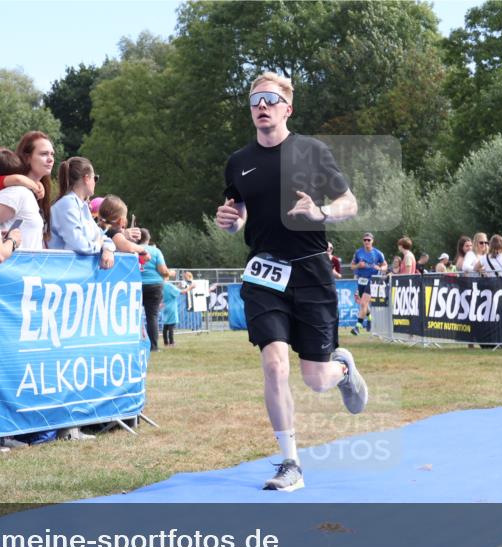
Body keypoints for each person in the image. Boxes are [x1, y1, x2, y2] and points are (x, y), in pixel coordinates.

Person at [214, 71, 366, 492]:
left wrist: (322, 213)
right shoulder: (238, 162)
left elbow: (349, 202)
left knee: (316, 379)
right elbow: (237, 213)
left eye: (269, 99)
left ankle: (343, 368)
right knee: (274, 363)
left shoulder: (312, 151)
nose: (261, 106)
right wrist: (229, 222)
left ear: (287, 108)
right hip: (264, 274)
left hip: (311, 269)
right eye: (254, 100)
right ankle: (290, 463)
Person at [0, 133, 55, 250]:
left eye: (52, 154)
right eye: (44, 154)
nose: (50, 159)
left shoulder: (30, 192)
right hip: (10, 265)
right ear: (27, 158)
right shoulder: (17, 192)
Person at [49, 157, 115, 267]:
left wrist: (108, 249)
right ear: (87, 178)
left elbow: (102, 236)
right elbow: (79, 245)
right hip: (62, 271)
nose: (95, 182)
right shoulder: (67, 204)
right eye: (95, 178)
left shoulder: (82, 206)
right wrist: (99, 244)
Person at [137, 227, 173, 352]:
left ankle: (134, 344)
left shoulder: (131, 250)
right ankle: (153, 346)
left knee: (133, 315)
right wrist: (170, 273)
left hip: (137, 285)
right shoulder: (155, 251)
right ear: (148, 239)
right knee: (151, 316)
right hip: (154, 286)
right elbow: (163, 271)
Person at [350, 232, 386, 335]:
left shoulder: (378, 253)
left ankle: (357, 327)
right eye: (365, 240)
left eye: (368, 240)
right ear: (363, 241)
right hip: (361, 279)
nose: (366, 242)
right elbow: (352, 266)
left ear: (372, 241)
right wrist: (358, 265)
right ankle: (370, 317)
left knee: (363, 303)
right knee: (363, 303)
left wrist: (380, 268)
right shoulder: (358, 252)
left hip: (372, 280)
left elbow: (385, 266)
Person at [161, 273, 194, 348]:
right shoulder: (169, 285)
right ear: (167, 277)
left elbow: (173, 290)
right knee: (171, 327)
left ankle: (166, 343)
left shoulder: (161, 285)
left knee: (165, 326)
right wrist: (191, 287)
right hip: (171, 307)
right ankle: (172, 343)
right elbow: (181, 292)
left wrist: (178, 286)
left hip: (165, 307)